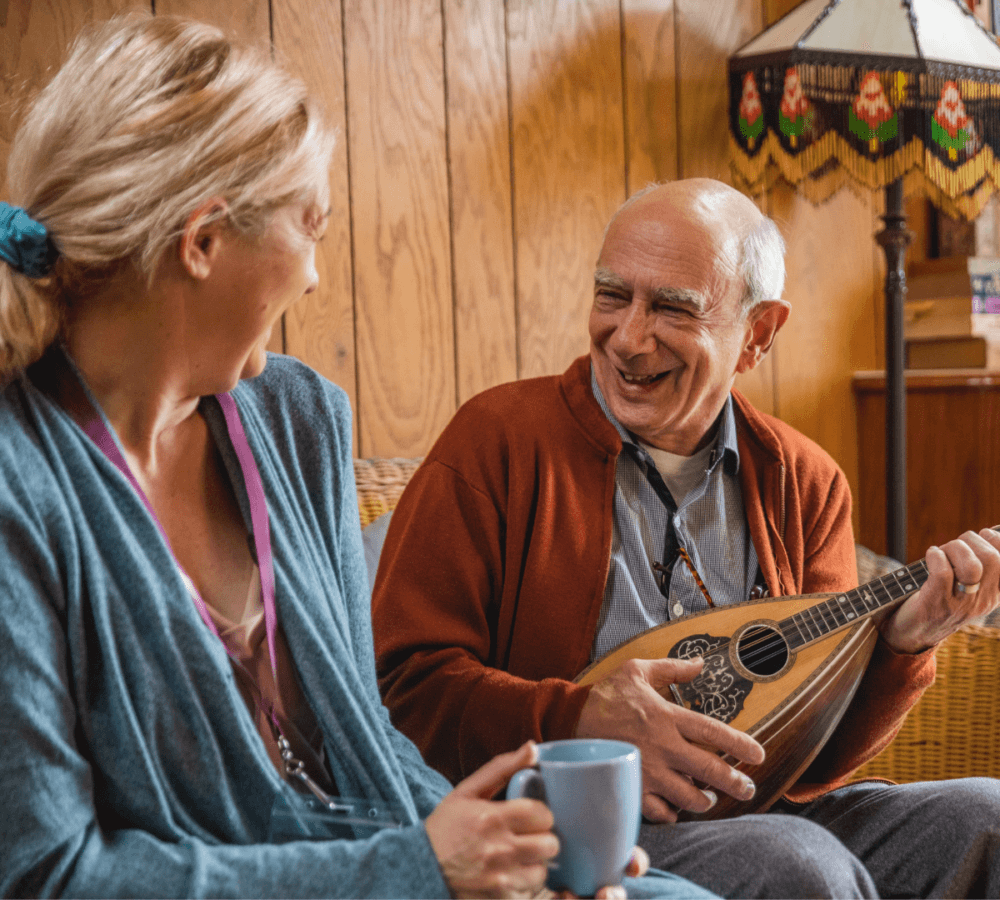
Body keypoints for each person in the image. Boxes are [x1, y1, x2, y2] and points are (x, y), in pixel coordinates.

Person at [0, 15, 713, 899]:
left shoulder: (298, 419)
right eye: (311, 227)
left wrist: (508, 848)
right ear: (203, 241)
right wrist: (418, 870)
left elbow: (367, 739)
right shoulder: (20, 484)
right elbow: (46, 875)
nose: (313, 276)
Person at [372, 178, 1000, 899]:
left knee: (987, 818)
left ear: (758, 334)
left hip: (766, 811)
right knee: (796, 865)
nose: (628, 337)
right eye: (612, 296)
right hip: (577, 826)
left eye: (672, 308)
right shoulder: (497, 442)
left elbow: (815, 766)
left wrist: (900, 648)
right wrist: (578, 719)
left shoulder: (805, 481)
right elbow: (399, 689)